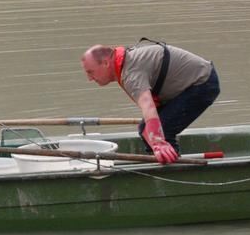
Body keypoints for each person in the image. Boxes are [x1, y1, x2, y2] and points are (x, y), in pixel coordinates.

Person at [80, 39, 220, 164]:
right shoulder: (125, 63)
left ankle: (173, 174)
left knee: (161, 133)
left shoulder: (130, 73)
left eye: (90, 72)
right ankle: (165, 162)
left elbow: (148, 106)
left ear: (105, 63)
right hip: (189, 84)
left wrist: (158, 142)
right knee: (145, 130)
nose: (89, 78)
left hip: (202, 83)